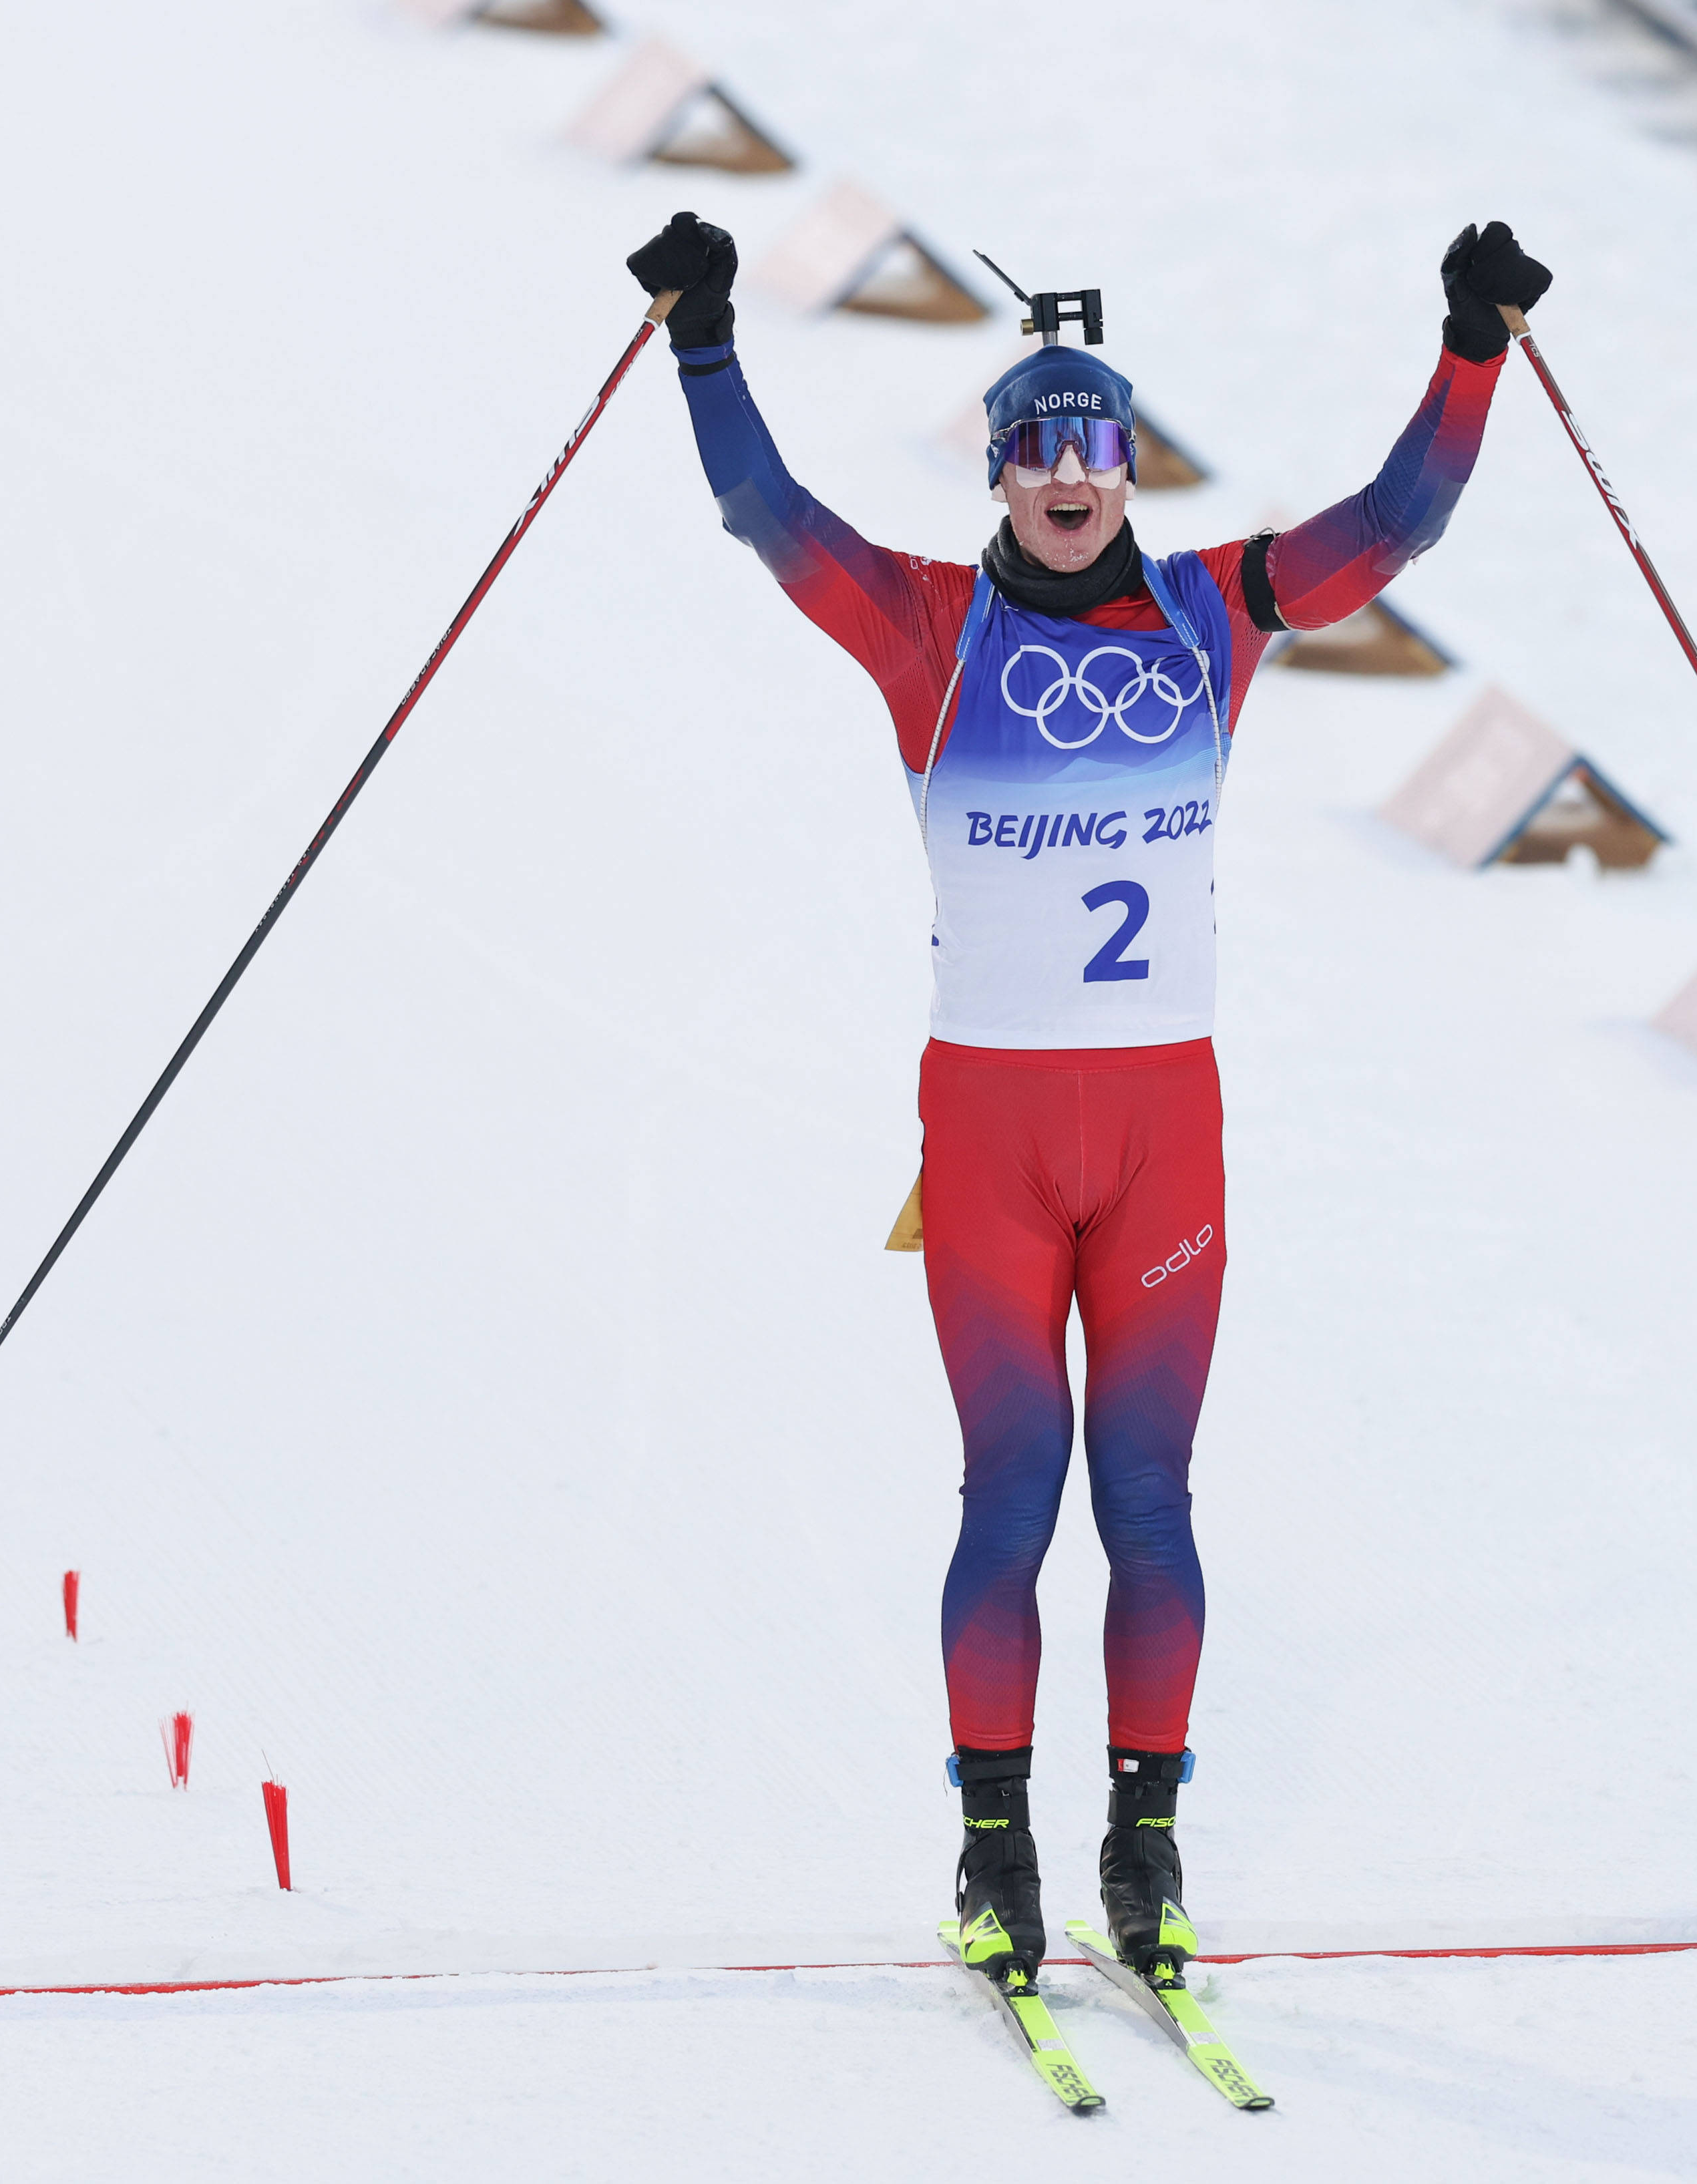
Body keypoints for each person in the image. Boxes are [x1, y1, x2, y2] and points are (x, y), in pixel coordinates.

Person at [624, 210, 1550, 1993]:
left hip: (1157, 1141)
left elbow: (1401, 524)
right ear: (997, 466)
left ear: (1133, 465)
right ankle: (992, 1859)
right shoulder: (929, 627)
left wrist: (1472, 342)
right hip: (991, 1137)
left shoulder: (1219, 611)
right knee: (1010, 1494)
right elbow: (766, 518)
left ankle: (1146, 1845)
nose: (1069, 478)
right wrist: (708, 332)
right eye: (1036, 447)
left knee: (1149, 1500)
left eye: (1098, 447)